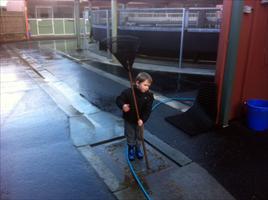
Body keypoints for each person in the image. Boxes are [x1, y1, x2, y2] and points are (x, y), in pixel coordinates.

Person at [116, 72, 154, 161]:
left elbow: (147, 110)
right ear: (137, 83)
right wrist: (123, 106)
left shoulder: (149, 96)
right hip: (129, 120)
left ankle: (138, 148)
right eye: (145, 85)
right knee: (130, 135)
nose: (147, 87)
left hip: (140, 121)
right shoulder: (128, 92)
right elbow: (119, 99)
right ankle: (131, 149)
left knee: (139, 135)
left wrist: (143, 119)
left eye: (148, 86)